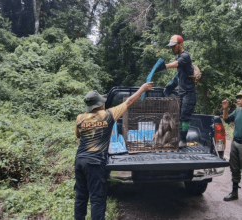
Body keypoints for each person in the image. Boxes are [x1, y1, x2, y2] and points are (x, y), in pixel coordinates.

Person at [74, 82, 154, 220]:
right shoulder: (108, 115)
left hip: (80, 161)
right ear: (100, 104)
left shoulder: (80, 118)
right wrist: (142, 89)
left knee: (80, 197)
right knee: (97, 198)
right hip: (95, 163)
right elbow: (128, 102)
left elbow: (78, 135)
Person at [162, 34, 197, 148]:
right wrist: (170, 86)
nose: (172, 48)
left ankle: (183, 141)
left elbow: (175, 65)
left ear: (181, 44)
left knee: (184, 117)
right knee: (177, 116)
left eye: (174, 46)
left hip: (189, 93)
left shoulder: (185, 56)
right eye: (171, 46)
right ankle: (178, 139)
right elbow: (179, 75)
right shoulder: (178, 56)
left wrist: (163, 66)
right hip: (181, 92)